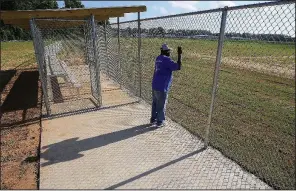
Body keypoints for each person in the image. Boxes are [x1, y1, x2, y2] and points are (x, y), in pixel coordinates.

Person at [150, 43, 182, 127]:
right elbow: (178, 67)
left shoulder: (158, 58)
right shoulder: (166, 60)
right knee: (161, 104)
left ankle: (153, 119)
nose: (169, 53)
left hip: (155, 84)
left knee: (155, 103)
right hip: (162, 86)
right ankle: (160, 121)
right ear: (165, 51)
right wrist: (179, 55)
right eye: (168, 51)